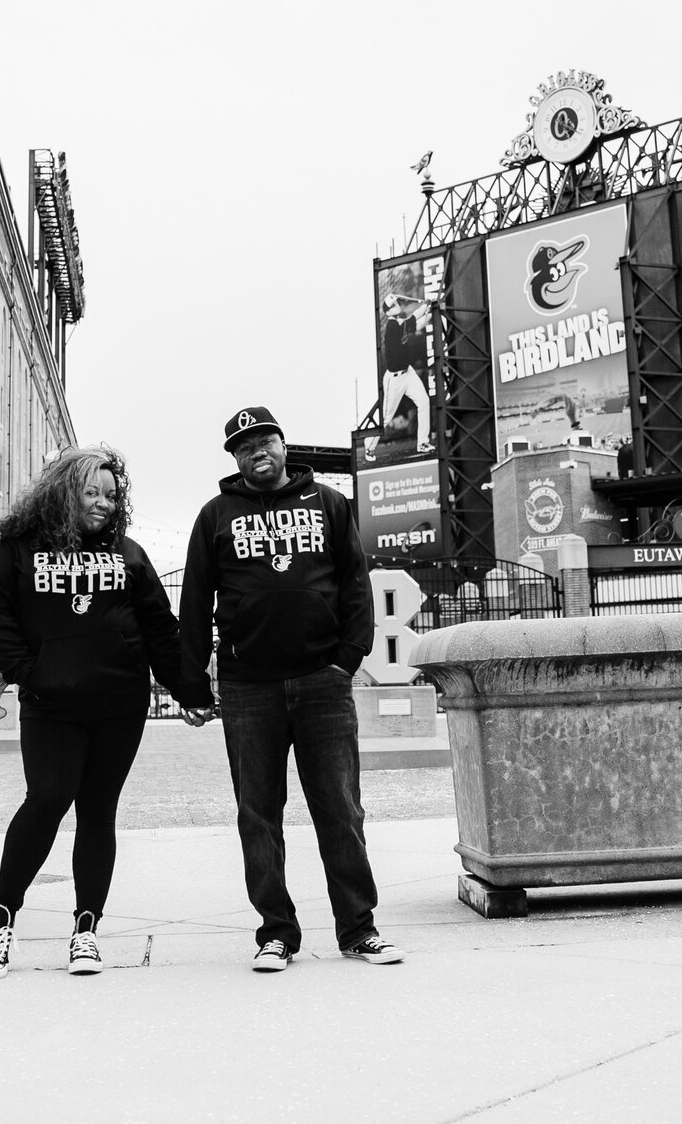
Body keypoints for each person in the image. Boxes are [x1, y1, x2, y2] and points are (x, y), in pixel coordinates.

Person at [0, 444, 212, 980]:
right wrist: (32, 675)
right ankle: (2, 922)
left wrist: (190, 691)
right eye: (91, 492)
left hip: (119, 705)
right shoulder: (16, 549)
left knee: (98, 813)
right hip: (50, 705)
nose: (102, 503)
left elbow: (160, 629)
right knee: (47, 800)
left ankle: (85, 930)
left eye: (110, 494)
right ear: (63, 491)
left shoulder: (128, 553)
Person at [180, 407, 404, 972]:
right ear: (234, 457)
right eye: (243, 444)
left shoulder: (328, 503)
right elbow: (194, 606)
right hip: (247, 687)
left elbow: (355, 584)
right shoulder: (214, 516)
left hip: (322, 684)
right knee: (258, 814)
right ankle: (275, 932)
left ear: (284, 445)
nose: (257, 449)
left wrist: (346, 661)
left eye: (265, 439)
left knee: (340, 810)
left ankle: (359, 929)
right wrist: (194, 686)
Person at [378, 291, 434, 453]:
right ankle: (369, 446)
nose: (397, 305)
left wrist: (430, 311)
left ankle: (422, 442)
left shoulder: (399, 322)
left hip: (407, 373)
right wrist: (425, 306)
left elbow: (419, 324)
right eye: (393, 305)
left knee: (423, 401)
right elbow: (414, 319)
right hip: (393, 379)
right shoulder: (392, 326)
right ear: (388, 311)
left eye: (396, 303)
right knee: (385, 419)